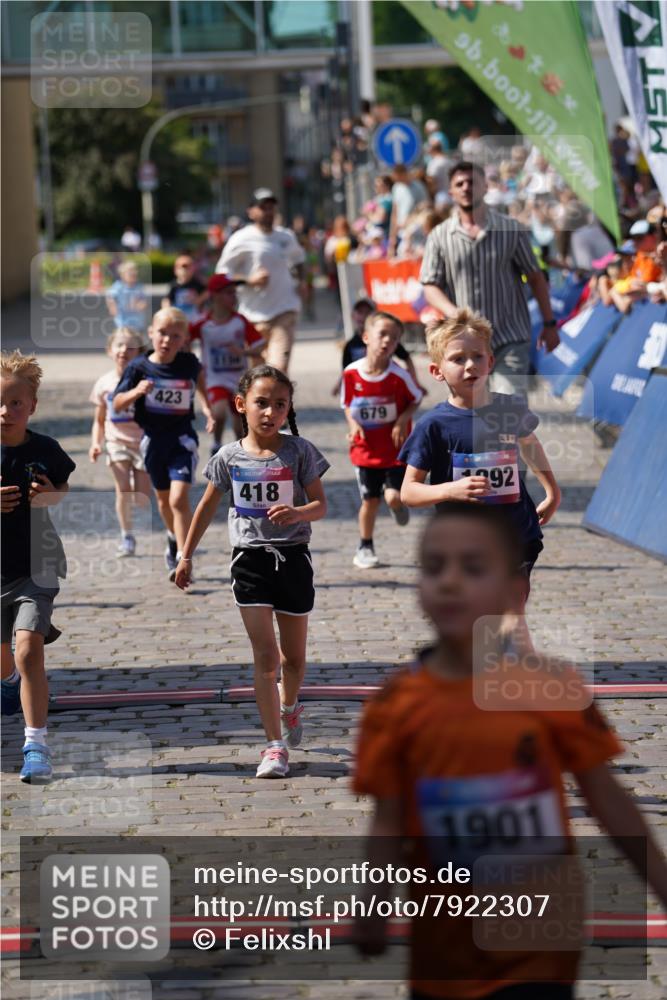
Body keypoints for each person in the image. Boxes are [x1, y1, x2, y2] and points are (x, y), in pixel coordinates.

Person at [353, 501, 667, 999]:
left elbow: (608, 800)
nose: (451, 580)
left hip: (539, 954)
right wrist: (371, 906)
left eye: (473, 567)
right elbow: (388, 819)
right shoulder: (394, 705)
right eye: (434, 567)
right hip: (444, 958)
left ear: (514, 590)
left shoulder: (552, 686)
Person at [173, 365, 329, 779]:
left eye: (280, 404)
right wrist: (185, 554)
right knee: (265, 658)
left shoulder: (300, 452)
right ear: (241, 405)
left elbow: (321, 505)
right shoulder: (228, 456)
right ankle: (274, 747)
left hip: (294, 558)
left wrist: (297, 511)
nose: (270, 412)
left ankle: (290, 706)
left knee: (293, 660)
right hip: (250, 561)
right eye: (262, 403)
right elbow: (206, 506)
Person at [400, 309, 561, 585]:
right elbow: (408, 492)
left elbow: (530, 445)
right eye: (458, 359)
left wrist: (552, 492)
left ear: (491, 361)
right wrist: (450, 490)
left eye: (477, 356)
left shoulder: (509, 408)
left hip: (517, 533)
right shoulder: (433, 425)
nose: (470, 365)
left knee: (509, 614)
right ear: (437, 371)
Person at [420, 162, 559, 396]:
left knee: (507, 413)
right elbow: (430, 285)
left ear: (485, 187)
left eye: (472, 182)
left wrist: (549, 324)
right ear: (452, 192)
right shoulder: (439, 236)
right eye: (459, 184)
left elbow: (536, 278)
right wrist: (452, 312)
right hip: (463, 345)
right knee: (471, 418)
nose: (466, 188)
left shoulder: (511, 230)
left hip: (509, 338)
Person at [1, 351, 76, 783]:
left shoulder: (45, 448)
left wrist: (51, 496)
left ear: (32, 406)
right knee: (5, 663)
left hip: (36, 565)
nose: (5, 412)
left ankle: (36, 743)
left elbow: (62, 485)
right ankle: (8, 679)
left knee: (29, 648)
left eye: (15, 403)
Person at [112, 307, 214, 581]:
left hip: (182, 440)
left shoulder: (188, 362)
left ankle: (182, 556)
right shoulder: (139, 367)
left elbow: (200, 380)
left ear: (184, 340)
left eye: (175, 336)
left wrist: (207, 408)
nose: (167, 340)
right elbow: (118, 402)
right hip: (153, 442)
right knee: (163, 501)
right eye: (162, 334)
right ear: (151, 334)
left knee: (179, 498)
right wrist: (137, 391)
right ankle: (173, 537)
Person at [342, 312, 422, 569]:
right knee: (370, 501)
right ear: (366, 337)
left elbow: (416, 399)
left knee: (392, 498)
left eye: (395, 338)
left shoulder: (399, 375)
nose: (388, 341)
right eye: (383, 335)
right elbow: (346, 404)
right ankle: (365, 545)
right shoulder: (351, 373)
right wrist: (353, 423)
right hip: (365, 451)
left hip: (395, 451)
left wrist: (401, 421)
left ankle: (398, 507)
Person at [217, 188, 307, 373]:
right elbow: (222, 276)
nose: (268, 211)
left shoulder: (286, 236)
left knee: (278, 370)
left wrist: (303, 281)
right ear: (251, 211)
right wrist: (250, 280)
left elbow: (299, 260)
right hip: (253, 316)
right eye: (263, 207)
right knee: (255, 375)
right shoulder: (240, 238)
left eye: (271, 207)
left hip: (284, 311)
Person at [89, 328, 151, 557]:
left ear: (140, 353)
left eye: (131, 346)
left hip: (143, 442)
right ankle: (127, 536)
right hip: (116, 442)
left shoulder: (146, 381)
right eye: (119, 345)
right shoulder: (104, 383)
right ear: (110, 350)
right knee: (122, 490)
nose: (124, 350)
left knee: (142, 496)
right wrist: (96, 443)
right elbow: (99, 420)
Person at [189, 273, 266, 455]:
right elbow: (184, 339)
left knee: (240, 426)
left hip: (239, 380)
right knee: (219, 412)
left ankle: (239, 452)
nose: (234, 297)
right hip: (215, 378)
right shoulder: (203, 323)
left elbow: (260, 345)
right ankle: (216, 443)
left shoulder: (240, 321)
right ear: (214, 296)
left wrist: (243, 352)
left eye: (234, 293)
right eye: (228, 293)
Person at [332, 297, 424, 396]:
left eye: (367, 312)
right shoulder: (351, 345)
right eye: (360, 312)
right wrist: (339, 385)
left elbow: (406, 358)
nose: (363, 316)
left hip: (385, 386)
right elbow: (346, 369)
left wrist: (414, 381)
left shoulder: (387, 340)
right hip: (362, 388)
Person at [106, 260, 150, 334]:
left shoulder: (139, 287)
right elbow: (110, 296)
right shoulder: (118, 286)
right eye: (130, 273)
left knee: (138, 339)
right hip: (123, 320)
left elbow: (144, 300)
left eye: (134, 272)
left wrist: (143, 304)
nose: (133, 274)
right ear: (123, 275)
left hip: (137, 321)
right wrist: (112, 306)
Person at [161, 255, 207, 322]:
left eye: (188, 267)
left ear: (193, 268)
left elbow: (207, 292)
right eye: (182, 267)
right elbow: (167, 299)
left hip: (194, 318)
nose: (184, 270)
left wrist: (199, 301)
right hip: (179, 318)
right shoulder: (174, 285)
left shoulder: (197, 283)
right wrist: (167, 310)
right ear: (175, 270)